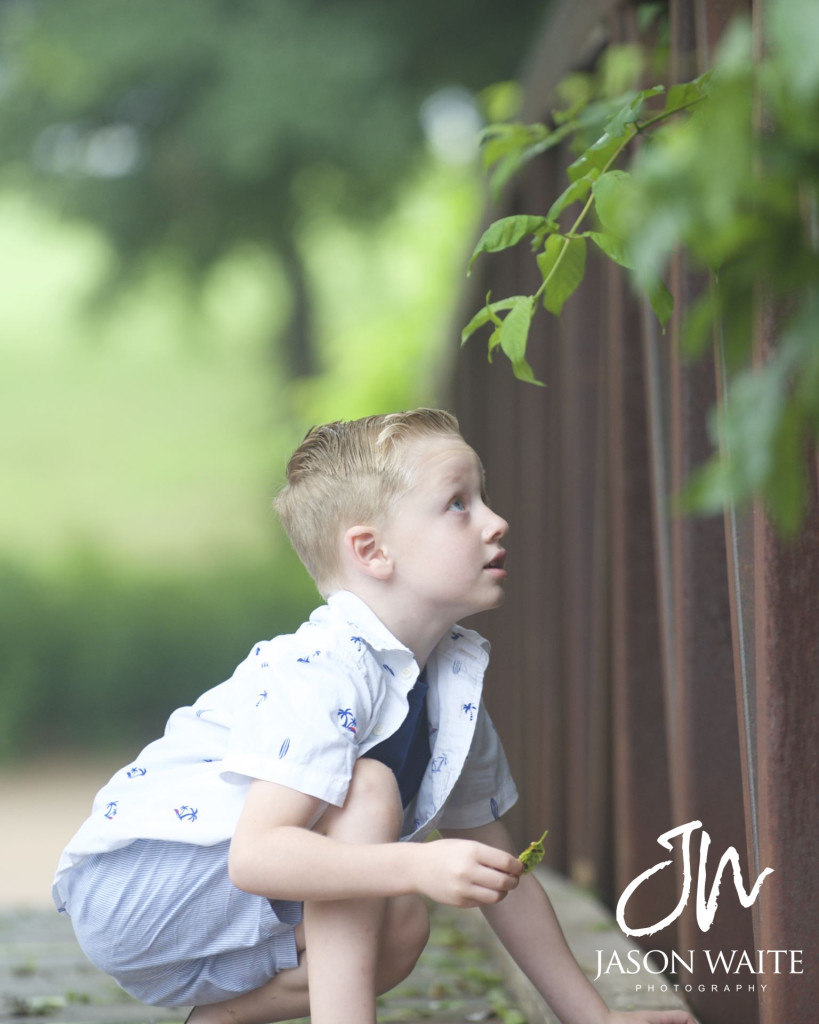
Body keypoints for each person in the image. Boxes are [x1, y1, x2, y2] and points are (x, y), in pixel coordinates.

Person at [53, 409, 697, 1024]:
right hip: (142, 885)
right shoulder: (326, 666)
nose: (496, 522)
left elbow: (497, 860)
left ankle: (223, 1016)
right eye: (458, 504)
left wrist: (596, 1014)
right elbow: (257, 857)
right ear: (372, 551)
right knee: (369, 791)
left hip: (219, 912)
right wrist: (417, 864)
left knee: (402, 928)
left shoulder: (449, 678)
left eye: (485, 499)